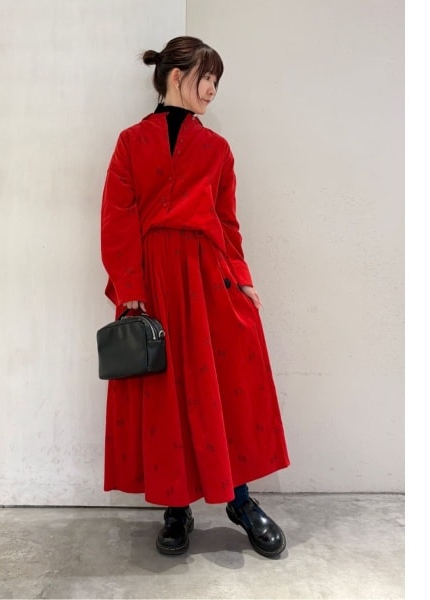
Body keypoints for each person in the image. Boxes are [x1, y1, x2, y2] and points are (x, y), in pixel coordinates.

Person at [100, 36, 290, 558]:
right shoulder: (130, 142)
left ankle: (239, 500)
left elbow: (227, 222)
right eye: (207, 78)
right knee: (166, 392)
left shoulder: (218, 149)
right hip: (154, 282)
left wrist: (242, 278)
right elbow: (117, 218)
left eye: (216, 82)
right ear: (177, 75)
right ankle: (176, 508)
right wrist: (131, 288)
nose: (212, 90)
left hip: (208, 280)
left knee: (225, 389)